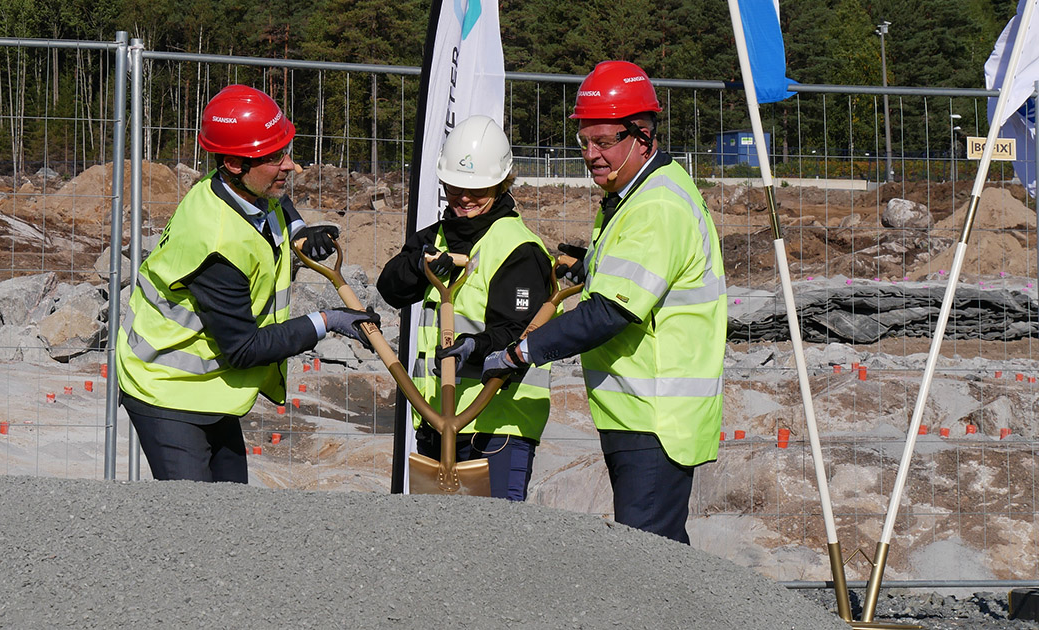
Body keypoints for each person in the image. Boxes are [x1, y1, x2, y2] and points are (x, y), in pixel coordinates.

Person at [480, 61, 727, 542]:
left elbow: (610, 311)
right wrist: (589, 267)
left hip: (654, 416)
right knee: (658, 554)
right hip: (640, 412)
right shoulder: (633, 193)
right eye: (584, 142)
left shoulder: (656, 207)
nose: (591, 155)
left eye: (604, 141)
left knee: (650, 560)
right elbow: (636, 276)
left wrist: (521, 352)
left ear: (643, 137)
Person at [116, 84, 379, 482]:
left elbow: (277, 201)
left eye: (286, 151)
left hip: (211, 386)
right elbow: (243, 348)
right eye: (275, 157)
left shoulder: (233, 187)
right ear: (235, 164)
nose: (290, 166)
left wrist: (299, 232)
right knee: (193, 522)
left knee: (233, 508)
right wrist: (328, 321)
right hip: (167, 389)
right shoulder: (216, 243)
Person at [377, 115, 554, 501]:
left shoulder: (518, 249)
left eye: (478, 188)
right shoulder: (436, 237)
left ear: (502, 183)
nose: (465, 198)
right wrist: (419, 266)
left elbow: (520, 331)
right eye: (456, 187)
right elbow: (390, 288)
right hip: (438, 422)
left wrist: (476, 345)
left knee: (492, 545)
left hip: (498, 426)